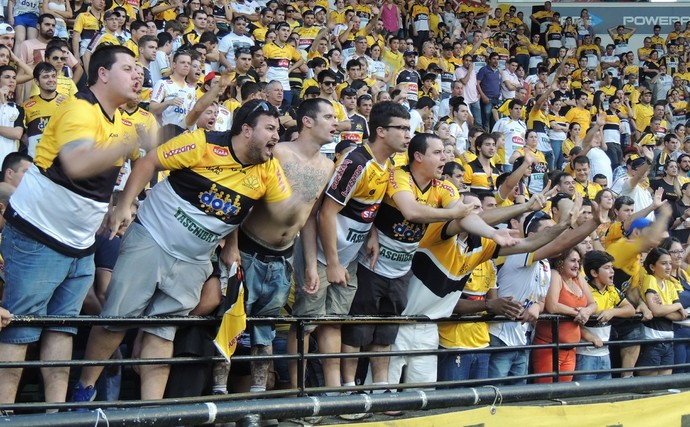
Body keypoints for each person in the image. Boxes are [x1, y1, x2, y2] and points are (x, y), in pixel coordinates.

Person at [73, 99, 292, 402]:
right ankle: (84, 390)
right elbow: (149, 162)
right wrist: (123, 205)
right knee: (116, 320)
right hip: (152, 239)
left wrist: (231, 244)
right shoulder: (200, 143)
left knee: (164, 332)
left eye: (278, 130)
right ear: (245, 130)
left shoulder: (268, 169)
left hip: (195, 261)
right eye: (270, 128)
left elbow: (255, 210)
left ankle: (153, 412)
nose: (276, 136)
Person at [0, 45, 140, 405]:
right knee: (19, 329)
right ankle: (5, 414)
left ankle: (57, 413)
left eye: (138, 68)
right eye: (128, 67)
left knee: (62, 329)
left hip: (79, 244)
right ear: (103, 74)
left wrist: (120, 205)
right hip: (38, 235)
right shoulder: (78, 107)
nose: (138, 74)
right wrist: (133, 142)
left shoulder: (121, 120)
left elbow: (143, 160)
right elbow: (77, 163)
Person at [289, 101, 409, 392]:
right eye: (402, 128)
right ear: (381, 131)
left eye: (409, 129)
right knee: (305, 325)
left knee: (333, 322)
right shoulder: (356, 162)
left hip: (348, 258)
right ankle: (295, 392)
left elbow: (369, 209)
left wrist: (372, 235)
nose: (408, 135)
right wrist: (330, 263)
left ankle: (332, 392)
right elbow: (325, 213)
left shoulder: (388, 164)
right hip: (321, 257)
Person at [228, 98, 337, 394]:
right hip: (249, 250)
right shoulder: (280, 154)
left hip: (283, 258)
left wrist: (312, 266)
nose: (335, 123)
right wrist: (232, 246)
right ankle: (222, 400)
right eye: (328, 116)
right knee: (231, 329)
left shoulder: (328, 166)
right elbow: (243, 200)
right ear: (307, 122)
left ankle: (258, 400)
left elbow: (311, 217)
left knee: (265, 334)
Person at [532, 248, 597, 383]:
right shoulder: (555, 274)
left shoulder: (579, 277)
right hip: (549, 348)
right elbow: (552, 306)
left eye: (578, 262)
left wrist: (587, 311)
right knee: (546, 390)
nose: (576, 265)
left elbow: (593, 304)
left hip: (571, 349)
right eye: (572, 261)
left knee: (564, 392)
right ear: (561, 262)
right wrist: (577, 313)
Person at [574, 250, 635, 381]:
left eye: (612, 267)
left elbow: (630, 310)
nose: (612, 271)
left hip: (605, 354)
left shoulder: (612, 289)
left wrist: (612, 311)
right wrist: (589, 337)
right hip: (585, 355)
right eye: (607, 268)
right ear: (594, 273)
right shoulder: (583, 291)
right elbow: (573, 321)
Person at [638, 248, 688, 376]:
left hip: (669, 342)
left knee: (665, 387)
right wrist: (674, 306)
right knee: (649, 387)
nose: (668, 267)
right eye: (664, 263)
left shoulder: (670, 284)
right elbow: (656, 310)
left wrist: (661, 309)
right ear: (652, 266)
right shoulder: (650, 279)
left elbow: (680, 315)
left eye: (670, 263)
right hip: (652, 342)